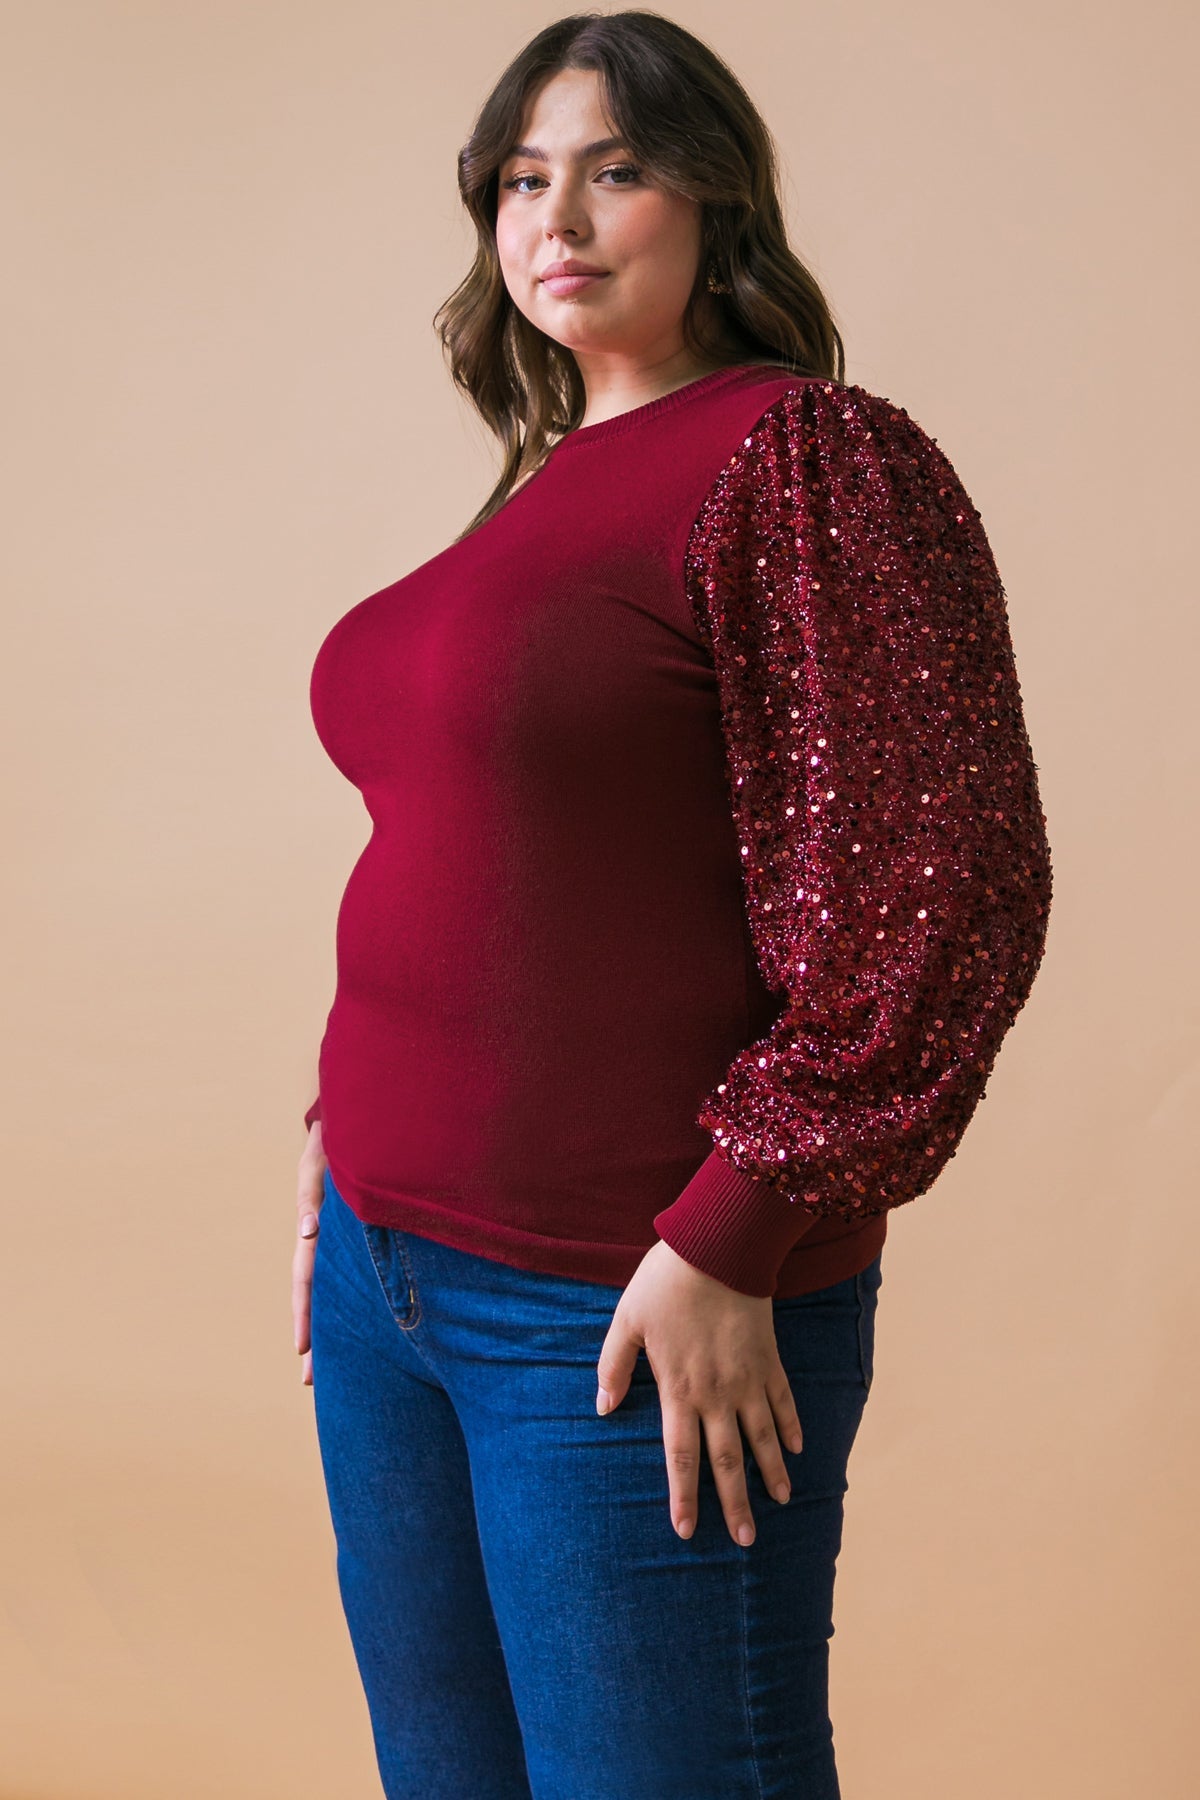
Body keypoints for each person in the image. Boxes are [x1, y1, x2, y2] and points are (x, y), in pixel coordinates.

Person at [289, 12, 1053, 1798]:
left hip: (620, 1303)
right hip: (389, 1284)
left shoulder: (803, 456)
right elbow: (505, 859)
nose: (556, 218)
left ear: (716, 200)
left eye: (615, 169)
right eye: (520, 179)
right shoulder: (540, 489)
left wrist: (734, 1232)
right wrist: (339, 1136)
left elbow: (943, 888)